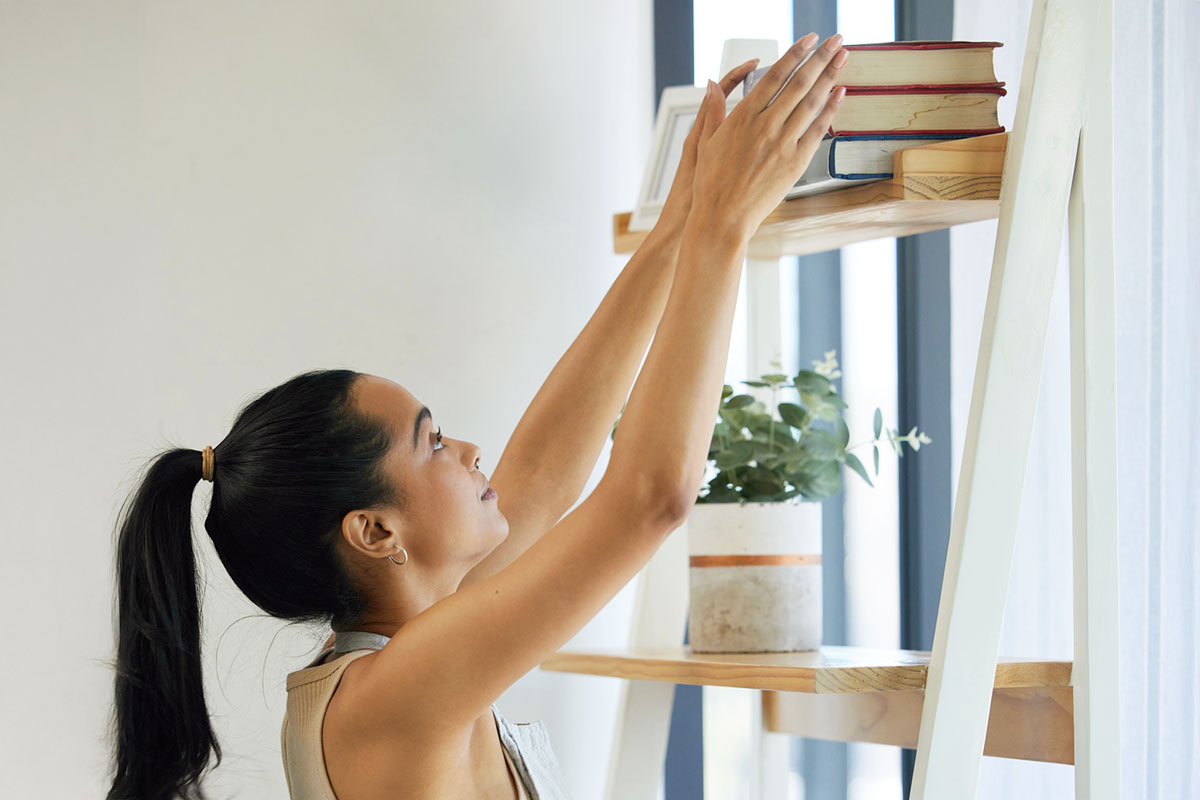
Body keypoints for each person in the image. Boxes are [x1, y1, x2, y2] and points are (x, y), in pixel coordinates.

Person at [106, 31, 848, 800]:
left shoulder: (409, 644)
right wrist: (725, 229)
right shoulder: (389, 694)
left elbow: (547, 473)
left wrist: (677, 228)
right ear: (375, 531)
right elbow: (649, 499)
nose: (467, 450)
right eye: (431, 445)